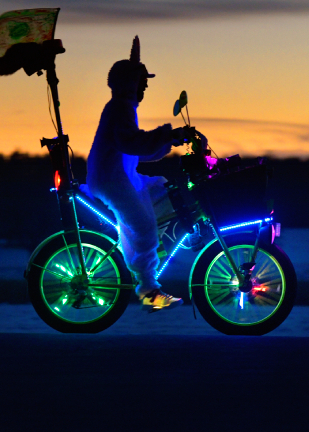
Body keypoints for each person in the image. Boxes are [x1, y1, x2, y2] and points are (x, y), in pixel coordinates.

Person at [86, 36, 185, 312]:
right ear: (130, 83)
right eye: (143, 81)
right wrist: (168, 134)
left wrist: (169, 141)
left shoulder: (124, 108)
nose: (146, 86)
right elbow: (131, 142)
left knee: (163, 192)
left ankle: (147, 255)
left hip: (123, 177)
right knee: (143, 228)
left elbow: (138, 151)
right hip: (111, 181)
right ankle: (148, 290)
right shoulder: (120, 108)